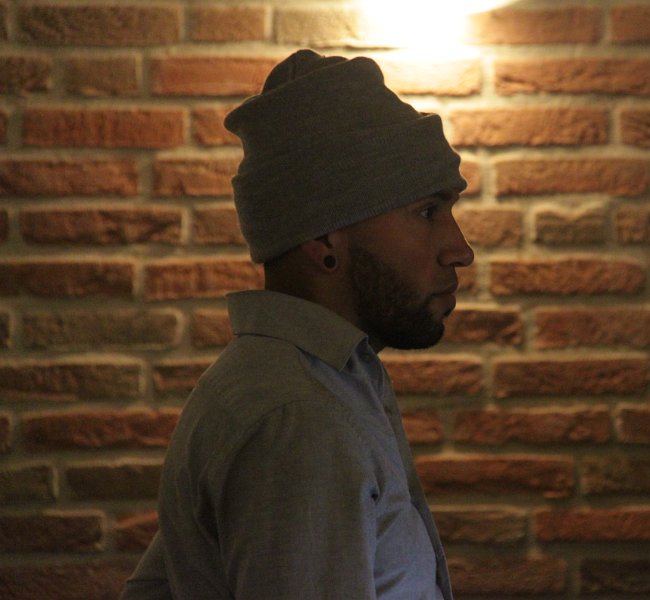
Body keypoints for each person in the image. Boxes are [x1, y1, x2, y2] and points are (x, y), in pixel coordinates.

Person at [121, 49, 473, 600]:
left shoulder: (306, 385)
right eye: (427, 212)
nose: (460, 250)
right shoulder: (298, 417)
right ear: (324, 241)